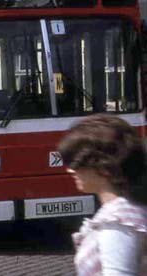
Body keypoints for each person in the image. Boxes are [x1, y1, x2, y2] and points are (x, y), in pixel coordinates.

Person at [58, 114, 147, 276]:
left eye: (78, 163)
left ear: (104, 167)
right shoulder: (123, 210)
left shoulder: (119, 219)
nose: (70, 170)